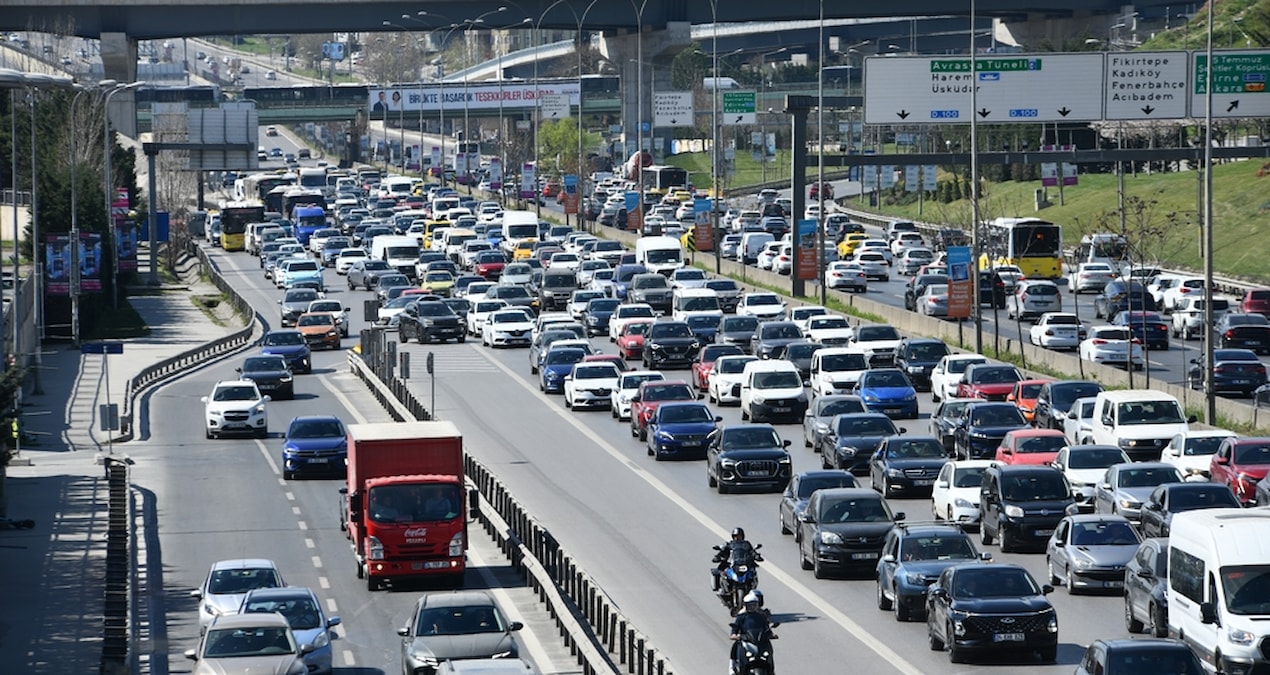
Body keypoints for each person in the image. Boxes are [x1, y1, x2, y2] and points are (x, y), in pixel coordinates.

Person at [729, 591, 776, 667]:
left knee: (768, 650)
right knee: (735, 646)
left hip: (760, 639)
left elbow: (766, 627)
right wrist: (734, 634)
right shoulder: (741, 616)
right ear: (745, 605)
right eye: (750, 605)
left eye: (754, 605)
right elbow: (736, 626)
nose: (752, 607)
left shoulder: (761, 616)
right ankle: (732, 666)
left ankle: (771, 668)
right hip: (746, 639)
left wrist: (771, 634)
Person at [713, 527, 757, 592]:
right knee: (719, 570)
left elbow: (752, 551)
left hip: (744, 564)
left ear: (742, 536)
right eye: (735, 536)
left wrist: (756, 556)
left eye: (739, 536)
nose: (737, 538)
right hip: (733, 564)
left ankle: (751, 585)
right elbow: (724, 551)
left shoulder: (746, 544)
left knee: (753, 571)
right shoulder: (730, 544)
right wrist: (718, 556)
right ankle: (720, 587)